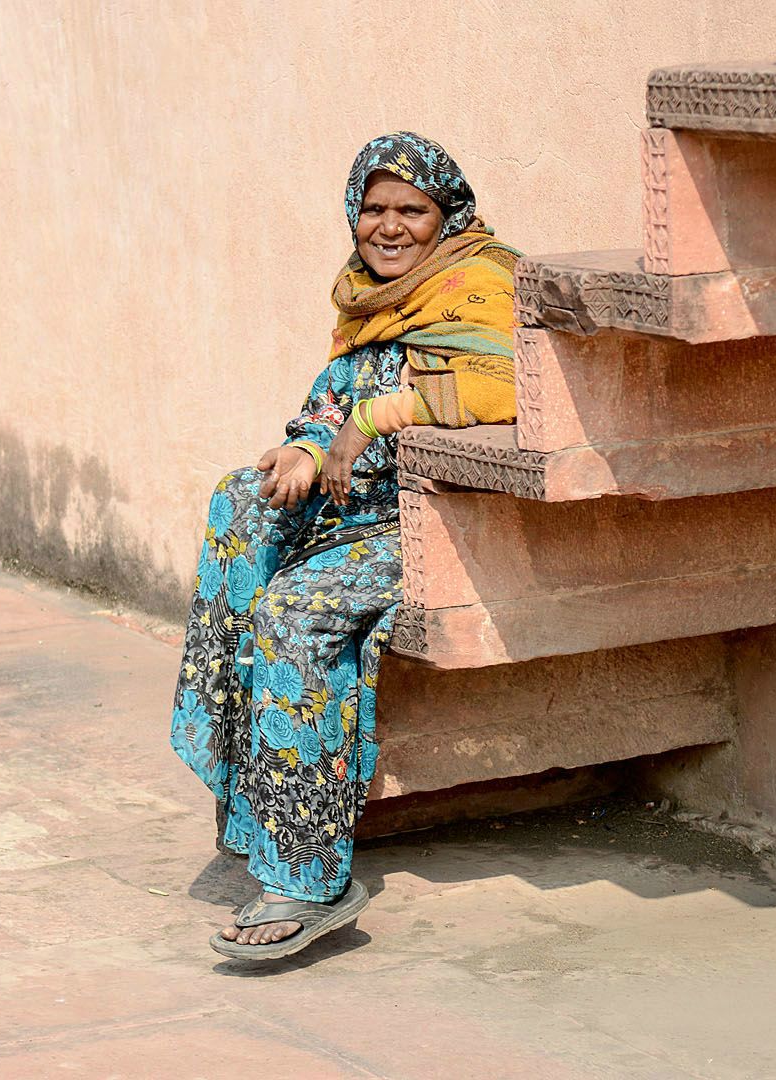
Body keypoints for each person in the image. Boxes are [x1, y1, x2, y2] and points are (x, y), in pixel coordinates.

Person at [170, 131, 523, 960]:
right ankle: (256, 791)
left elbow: (505, 385)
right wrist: (306, 441)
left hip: (436, 520)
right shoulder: (368, 296)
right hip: (352, 512)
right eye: (373, 209)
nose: (389, 227)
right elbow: (337, 393)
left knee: (293, 614)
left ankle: (308, 876)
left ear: (449, 215)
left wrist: (372, 421)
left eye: (413, 209)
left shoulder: (479, 285)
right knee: (239, 503)